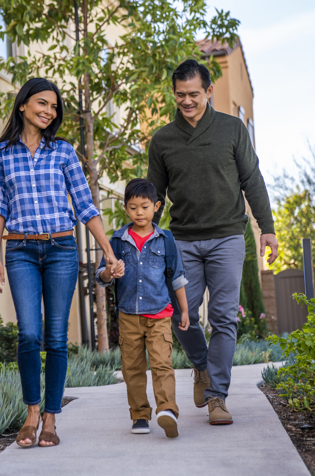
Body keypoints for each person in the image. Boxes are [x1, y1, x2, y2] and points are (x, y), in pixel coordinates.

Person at [0, 78, 118, 447]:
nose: (49, 111)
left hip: (61, 248)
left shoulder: (63, 151)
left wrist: (107, 250)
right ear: (23, 105)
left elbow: (85, 205)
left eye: (54, 107)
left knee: (57, 337)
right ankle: (31, 412)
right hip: (20, 250)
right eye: (42, 103)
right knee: (29, 333)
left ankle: (50, 419)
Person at [147, 59, 279, 425]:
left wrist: (266, 227)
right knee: (179, 314)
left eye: (194, 94)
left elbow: (252, 179)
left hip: (227, 238)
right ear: (173, 94)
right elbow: (154, 195)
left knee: (223, 318)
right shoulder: (162, 140)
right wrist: (147, 240)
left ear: (208, 91)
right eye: (180, 95)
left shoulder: (232, 130)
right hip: (183, 239)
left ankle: (217, 396)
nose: (187, 101)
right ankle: (202, 366)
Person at [96, 178, 190, 438]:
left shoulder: (166, 241)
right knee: (132, 369)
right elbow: (101, 278)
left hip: (159, 314)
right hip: (128, 316)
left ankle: (167, 410)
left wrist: (184, 310)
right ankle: (139, 415)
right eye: (134, 207)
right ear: (125, 208)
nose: (139, 212)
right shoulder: (117, 241)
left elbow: (178, 277)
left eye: (145, 207)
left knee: (162, 364)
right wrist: (109, 273)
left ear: (156, 207)